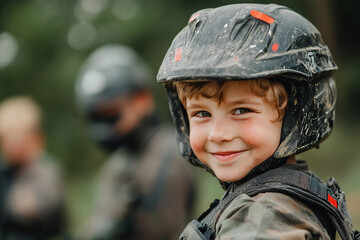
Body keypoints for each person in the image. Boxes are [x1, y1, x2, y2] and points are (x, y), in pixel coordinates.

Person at [156, 3, 359, 240]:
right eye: (202, 114)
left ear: (299, 114)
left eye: (241, 110)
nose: (218, 134)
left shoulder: (263, 218)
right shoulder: (277, 198)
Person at [75, 44, 195, 240]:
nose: (106, 128)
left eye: (112, 114)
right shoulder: (121, 160)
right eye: (96, 117)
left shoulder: (169, 155)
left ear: (141, 100)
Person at [0, 96, 66, 239]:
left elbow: (37, 211)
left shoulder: (46, 171)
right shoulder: (5, 174)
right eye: (6, 138)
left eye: (17, 137)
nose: (11, 145)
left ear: (35, 138)